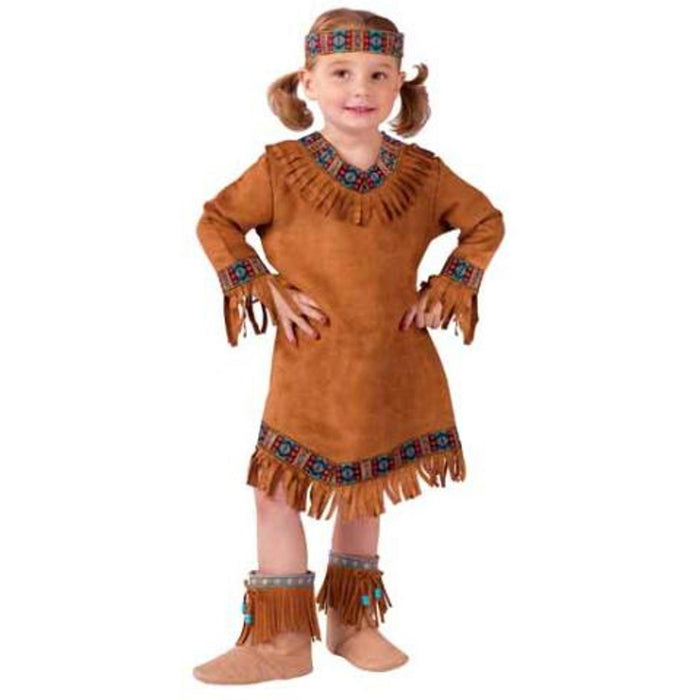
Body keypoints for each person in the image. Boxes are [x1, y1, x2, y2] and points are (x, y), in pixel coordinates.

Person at [192, 7, 505, 685]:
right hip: (309, 365)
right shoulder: (280, 169)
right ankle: (281, 642)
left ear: (399, 85)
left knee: (365, 490)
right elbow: (217, 221)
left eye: (378, 74)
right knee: (277, 491)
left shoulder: (423, 173)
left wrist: (451, 284)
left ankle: (353, 622)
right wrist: (259, 283)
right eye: (341, 72)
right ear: (307, 81)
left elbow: (484, 222)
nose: (360, 88)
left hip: (393, 363)